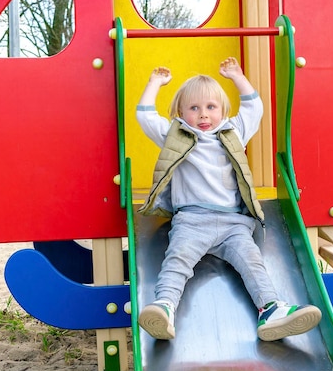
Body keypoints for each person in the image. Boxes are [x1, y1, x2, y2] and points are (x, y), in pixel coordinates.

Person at [135, 57, 322, 341]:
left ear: (222, 111)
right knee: (178, 260)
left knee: (253, 262)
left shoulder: (233, 133)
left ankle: (270, 310)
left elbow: (254, 108)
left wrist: (237, 76)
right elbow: (145, 116)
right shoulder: (177, 136)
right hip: (193, 221)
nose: (203, 115)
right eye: (194, 108)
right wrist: (154, 84)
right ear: (181, 113)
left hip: (234, 224)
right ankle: (165, 308)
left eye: (211, 107)